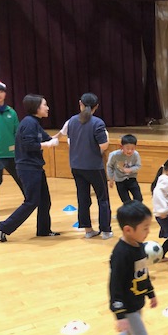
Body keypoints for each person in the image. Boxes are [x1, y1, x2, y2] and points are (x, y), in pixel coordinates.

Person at [104, 200, 168, 335]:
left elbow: (143, 272)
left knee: (130, 334)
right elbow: (114, 286)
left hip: (137, 300)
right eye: (145, 228)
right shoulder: (121, 254)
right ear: (128, 230)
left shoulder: (139, 245)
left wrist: (151, 293)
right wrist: (120, 315)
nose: (148, 231)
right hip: (127, 306)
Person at [0, 94, 59, 242]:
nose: (47, 108)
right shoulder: (29, 123)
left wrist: (65, 133)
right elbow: (29, 145)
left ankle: (44, 230)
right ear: (36, 107)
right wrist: (47, 145)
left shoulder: (35, 123)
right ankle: (4, 227)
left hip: (35, 166)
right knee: (32, 201)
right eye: (44, 105)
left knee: (44, 200)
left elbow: (49, 139)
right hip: (27, 168)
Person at [66, 92, 113, 240]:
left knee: (83, 198)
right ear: (96, 106)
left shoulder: (72, 121)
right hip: (94, 166)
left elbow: (70, 141)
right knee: (103, 198)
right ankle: (105, 231)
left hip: (76, 166)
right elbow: (103, 145)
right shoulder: (97, 123)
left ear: (80, 103)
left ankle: (88, 230)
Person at [0, 80, 24, 216]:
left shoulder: (11, 112)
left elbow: (17, 132)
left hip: (11, 153)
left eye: (1, 92)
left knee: (21, 177)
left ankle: (31, 200)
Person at [107, 134, 143, 203]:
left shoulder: (136, 154)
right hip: (120, 181)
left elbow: (138, 166)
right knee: (126, 201)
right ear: (121, 147)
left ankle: (136, 210)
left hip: (132, 179)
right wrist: (111, 179)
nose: (130, 151)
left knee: (139, 199)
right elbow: (109, 166)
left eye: (132, 149)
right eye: (127, 148)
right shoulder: (114, 155)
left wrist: (130, 170)